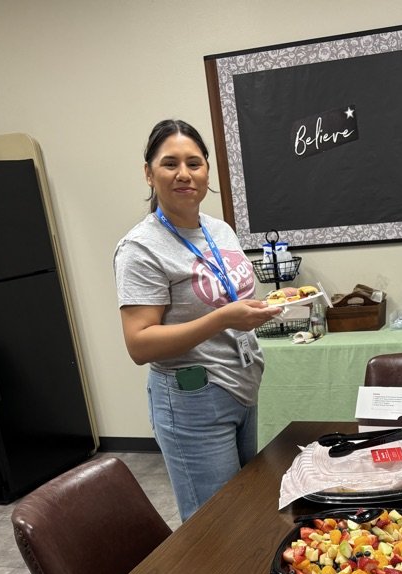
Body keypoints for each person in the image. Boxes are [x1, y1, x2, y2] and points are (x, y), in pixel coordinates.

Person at [113, 119, 282, 520]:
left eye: (195, 163)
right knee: (216, 524)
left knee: (244, 507)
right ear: (149, 173)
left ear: (208, 170)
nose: (184, 174)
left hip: (240, 386)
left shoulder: (219, 229)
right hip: (193, 398)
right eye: (170, 164)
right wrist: (223, 319)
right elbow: (139, 343)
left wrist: (266, 304)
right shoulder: (140, 248)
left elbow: (227, 297)